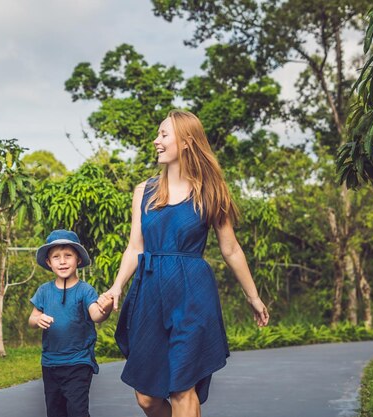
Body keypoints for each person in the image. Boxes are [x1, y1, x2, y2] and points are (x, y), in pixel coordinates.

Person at [105, 110, 269, 417]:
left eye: (164, 135)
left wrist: (254, 296)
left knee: (182, 387)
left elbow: (231, 249)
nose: (156, 141)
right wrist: (116, 287)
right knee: (146, 397)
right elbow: (134, 247)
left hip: (192, 294)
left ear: (186, 142)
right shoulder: (144, 191)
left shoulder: (210, 191)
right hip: (149, 292)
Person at [29, 229, 114, 417]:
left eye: (68, 255)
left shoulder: (85, 290)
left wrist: (105, 308)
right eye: (56, 257)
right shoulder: (44, 291)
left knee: (77, 410)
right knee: (55, 411)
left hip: (78, 362)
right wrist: (37, 319)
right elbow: (31, 319)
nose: (62, 261)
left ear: (79, 260)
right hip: (50, 363)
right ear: (48, 263)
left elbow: (96, 315)